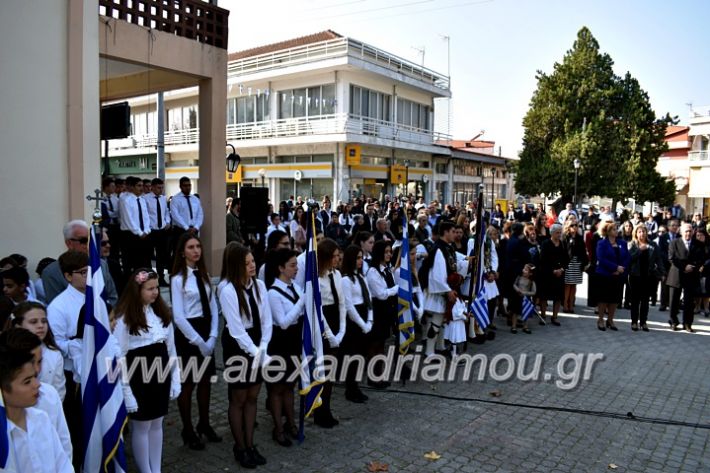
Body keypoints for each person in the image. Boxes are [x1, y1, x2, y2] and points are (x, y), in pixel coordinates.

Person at [113, 269, 181, 473]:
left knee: (157, 424)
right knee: (141, 427)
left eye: (157, 288)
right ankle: (146, 470)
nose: (155, 292)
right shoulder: (124, 318)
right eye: (150, 288)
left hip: (159, 375)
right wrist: (127, 394)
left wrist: (175, 379)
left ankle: (156, 469)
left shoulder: (161, 313)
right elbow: (119, 356)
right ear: (137, 290)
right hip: (138, 377)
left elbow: (171, 349)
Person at [217, 243, 272, 468]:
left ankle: (250, 444)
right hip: (238, 346)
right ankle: (239, 447)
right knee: (238, 399)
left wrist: (264, 348)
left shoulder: (259, 285)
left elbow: (267, 320)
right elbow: (237, 330)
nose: (252, 266)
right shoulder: (227, 289)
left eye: (252, 261)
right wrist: (258, 354)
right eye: (246, 263)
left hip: (258, 343)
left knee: (252, 397)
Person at [170, 234, 221, 450]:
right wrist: (199, 341)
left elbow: (214, 307)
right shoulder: (177, 279)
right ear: (183, 252)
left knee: (206, 382)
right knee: (188, 384)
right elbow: (179, 316)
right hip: (187, 335)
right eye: (191, 247)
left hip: (206, 329)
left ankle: (204, 424)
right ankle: (188, 429)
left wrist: (212, 336)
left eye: (198, 246)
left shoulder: (204, 275)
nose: (196, 251)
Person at [0, 329, 73, 473]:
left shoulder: (41, 418)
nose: (37, 384)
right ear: (3, 389)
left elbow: (63, 463)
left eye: (34, 376)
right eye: (27, 381)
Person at [264, 248, 305, 446]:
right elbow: (283, 322)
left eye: (296, 264)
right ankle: (277, 428)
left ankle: (290, 422)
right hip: (280, 343)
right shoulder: (273, 292)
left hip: (294, 342)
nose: (296, 268)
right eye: (292, 265)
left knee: (290, 385)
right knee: (277, 388)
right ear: (281, 268)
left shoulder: (295, 287)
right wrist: (302, 303)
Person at [41, 220, 117, 306]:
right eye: (84, 241)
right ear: (69, 243)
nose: (89, 244)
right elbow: (57, 305)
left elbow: (112, 296)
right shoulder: (51, 272)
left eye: (90, 239)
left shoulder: (101, 264)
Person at [6, 301, 66, 401]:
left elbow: (59, 391)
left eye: (44, 321)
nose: (40, 325)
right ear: (18, 326)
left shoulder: (54, 354)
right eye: (33, 322)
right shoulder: (7, 353)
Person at [315, 238, 346, 427]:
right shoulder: (316, 279)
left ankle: (327, 407)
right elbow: (318, 309)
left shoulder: (337, 275)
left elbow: (342, 302)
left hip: (336, 320)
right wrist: (330, 334)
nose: (337, 259)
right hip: (323, 323)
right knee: (323, 370)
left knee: (331, 371)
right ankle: (319, 411)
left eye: (338, 256)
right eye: (334, 256)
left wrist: (342, 329)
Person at [365, 240, 399, 387]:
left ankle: (378, 374)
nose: (389, 255)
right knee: (375, 345)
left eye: (390, 252)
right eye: (386, 252)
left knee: (382, 344)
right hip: (377, 312)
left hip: (386, 313)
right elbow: (381, 294)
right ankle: (373, 377)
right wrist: (397, 288)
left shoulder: (386, 269)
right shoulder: (373, 271)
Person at [666, 223, 703, 332]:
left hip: (691, 275)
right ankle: (673, 321)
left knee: (689, 302)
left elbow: (701, 259)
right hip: (676, 274)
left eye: (690, 231)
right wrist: (684, 267)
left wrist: (693, 267)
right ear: (681, 232)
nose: (688, 233)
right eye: (686, 231)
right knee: (673, 301)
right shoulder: (674, 243)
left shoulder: (698, 244)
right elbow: (671, 258)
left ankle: (687, 323)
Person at [628, 224, 665, 331]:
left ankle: (643, 322)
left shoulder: (653, 244)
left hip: (648, 276)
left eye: (643, 231)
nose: (642, 234)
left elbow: (659, 260)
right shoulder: (632, 245)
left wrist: (662, 273)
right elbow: (629, 259)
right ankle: (634, 322)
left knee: (645, 300)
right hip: (635, 275)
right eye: (639, 232)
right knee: (635, 300)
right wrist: (640, 250)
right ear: (635, 233)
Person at [595, 222, 630, 331]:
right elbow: (601, 259)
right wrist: (614, 268)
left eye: (616, 229)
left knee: (614, 299)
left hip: (619, 275)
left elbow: (627, 258)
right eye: (614, 229)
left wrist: (621, 269)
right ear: (608, 231)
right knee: (603, 298)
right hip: (605, 274)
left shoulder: (622, 243)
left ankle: (610, 320)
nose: (617, 231)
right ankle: (600, 320)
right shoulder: (602, 243)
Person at [119, 176, 152, 274]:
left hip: (143, 234)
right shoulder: (126, 200)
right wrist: (139, 232)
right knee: (130, 263)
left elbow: (146, 217)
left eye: (142, 185)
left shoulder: (141, 200)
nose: (141, 188)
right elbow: (129, 219)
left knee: (144, 262)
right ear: (132, 187)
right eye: (138, 186)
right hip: (130, 235)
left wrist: (146, 230)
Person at [538, 223, 568, 325]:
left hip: (560, 274)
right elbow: (542, 259)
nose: (559, 235)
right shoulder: (545, 243)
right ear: (552, 233)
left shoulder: (563, 244)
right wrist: (552, 270)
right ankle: (543, 315)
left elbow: (567, 259)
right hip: (547, 274)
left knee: (558, 296)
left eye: (560, 232)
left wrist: (562, 269)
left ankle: (555, 317)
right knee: (544, 295)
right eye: (557, 233)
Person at [146, 178, 171, 287]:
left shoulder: (163, 198)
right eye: (158, 188)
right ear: (152, 187)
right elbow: (145, 214)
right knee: (148, 255)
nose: (161, 190)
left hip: (162, 231)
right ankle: (150, 278)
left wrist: (167, 222)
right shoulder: (145, 199)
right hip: (151, 231)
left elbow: (166, 212)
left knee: (162, 255)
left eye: (162, 188)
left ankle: (161, 278)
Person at [562, 219, 588, 313]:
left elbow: (583, 251)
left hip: (577, 263)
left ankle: (571, 305)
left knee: (574, 285)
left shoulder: (580, 238)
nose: (575, 227)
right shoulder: (565, 237)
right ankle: (565, 304)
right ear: (568, 227)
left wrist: (585, 263)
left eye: (576, 225)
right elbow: (564, 251)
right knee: (567, 285)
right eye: (572, 225)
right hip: (568, 263)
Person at [170, 176, 204, 247]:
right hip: (180, 231)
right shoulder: (175, 199)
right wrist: (186, 228)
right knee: (180, 252)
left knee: (193, 251)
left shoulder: (195, 199)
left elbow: (200, 214)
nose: (188, 187)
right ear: (180, 186)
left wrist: (196, 227)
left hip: (194, 230)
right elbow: (175, 215)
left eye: (189, 185)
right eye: (185, 185)